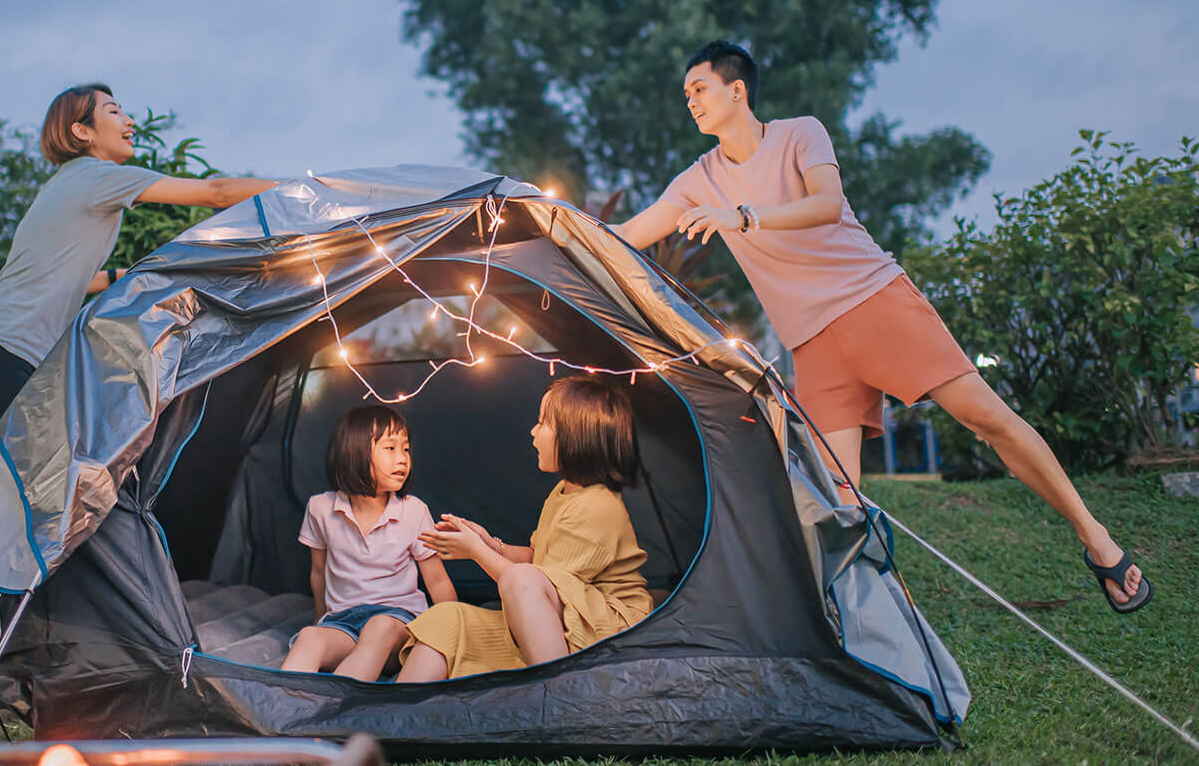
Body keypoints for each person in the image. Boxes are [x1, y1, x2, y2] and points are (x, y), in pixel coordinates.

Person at [613, 40, 1150, 614]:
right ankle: (868, 628)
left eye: (699, 89)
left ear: (736, 89)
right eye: (685, 94)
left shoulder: (800, 134)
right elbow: (624, 235)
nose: (689, 102)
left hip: (874, 301)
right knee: (839, 493)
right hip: (813, 343)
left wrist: (742, 217)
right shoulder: (698, 180)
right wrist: (530, 221)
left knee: (986, 417)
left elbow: (827, 203)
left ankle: (1097, 540)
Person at [0, 83, 277, 662]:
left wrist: (129, 277)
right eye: (113, 111)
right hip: (3, 365)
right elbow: (217, 192)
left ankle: (29, 656)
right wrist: (304, 192)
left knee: (28, 512)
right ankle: (63, 652)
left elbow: (69, 278)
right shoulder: (95, 175)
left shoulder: (75, 188)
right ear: (82, 132)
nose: (127, 120)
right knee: (65, 503)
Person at [395, 376, 651, 682]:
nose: (533, 431)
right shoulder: (564, 493)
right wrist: (490, 544)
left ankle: (556, 694)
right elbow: (539, 562)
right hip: (560, 618)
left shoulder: (597, 506)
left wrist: (476, 552)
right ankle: (398, 718)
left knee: (519, 579)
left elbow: (530, 585)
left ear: (575, 436)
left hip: (606, 627)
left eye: (543, 423)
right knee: (446, 619)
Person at [282, 406, 456, 681]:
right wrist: (319, 620)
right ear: (355, 451)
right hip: (343, 623)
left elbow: (436, 580)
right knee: (309, 638)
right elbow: (319, 572)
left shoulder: (413, 511)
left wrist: (451, 632)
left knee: (379, 627)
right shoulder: (321, 508)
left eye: (406, 449)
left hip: (398, 622)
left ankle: (337, 710)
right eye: (390, 448)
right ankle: (280, 713)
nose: (402, 459)